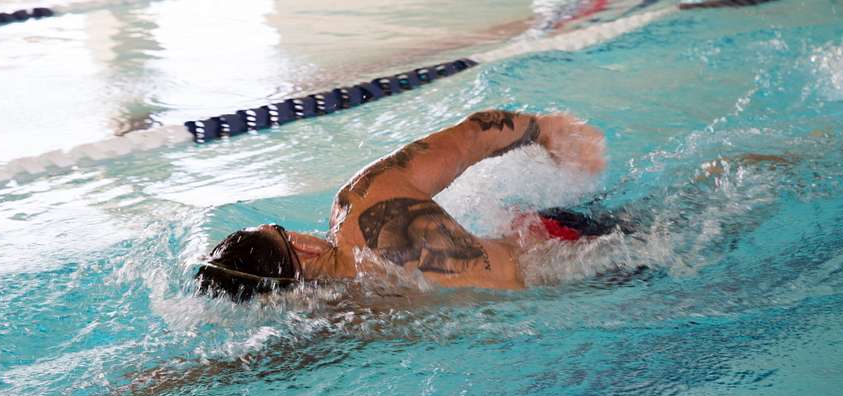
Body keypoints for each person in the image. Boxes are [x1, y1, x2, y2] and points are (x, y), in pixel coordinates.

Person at [195, 110, 615, 300]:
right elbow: (471, 136)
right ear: (301, 247)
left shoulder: (341, 320)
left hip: (574, 292)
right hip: (573, 247)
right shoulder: (361, 202)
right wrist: (544, 130)